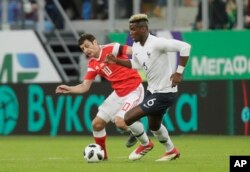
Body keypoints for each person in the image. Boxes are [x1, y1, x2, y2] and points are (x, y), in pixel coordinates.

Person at [106, 13, 191, 161]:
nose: (131, 33)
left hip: (165, 92)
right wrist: (117, 61)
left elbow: (185, 47)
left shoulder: (157, 43)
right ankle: (171, 151)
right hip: (152, 90)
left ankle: (145, 144)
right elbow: (136, 64)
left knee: (128, 117)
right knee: (154, 126)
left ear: (144, 29)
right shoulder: (137, 46)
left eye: (133, 29)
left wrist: (179, 73)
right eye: (130, 29)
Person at [55, 33, 149, 159]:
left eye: (87, 46)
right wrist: (69, 89)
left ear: (95, 42)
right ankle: (103, 155)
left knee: (120, 122)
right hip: (118, 93)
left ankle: (144, 141)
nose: (86, 50)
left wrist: (147, 53)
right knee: (96, 124)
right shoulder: (93, 64)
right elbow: (84, 86)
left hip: (134, 89)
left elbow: (132, 50)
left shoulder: (112, 48)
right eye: (83, 49)